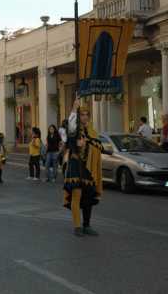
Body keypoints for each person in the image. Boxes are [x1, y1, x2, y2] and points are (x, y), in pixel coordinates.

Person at [64, 98, 103, 237]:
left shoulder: (93, 131)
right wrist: (74, 109)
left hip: (89, 168)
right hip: (76, 164)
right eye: (82, 114)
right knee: (76, 194)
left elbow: (98, 147)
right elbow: (71, 127)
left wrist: (88, 144)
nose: (85, 117)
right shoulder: (74, 129)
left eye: (87, 114)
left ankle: (87, 225)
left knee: (88, 197)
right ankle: (77, 226)